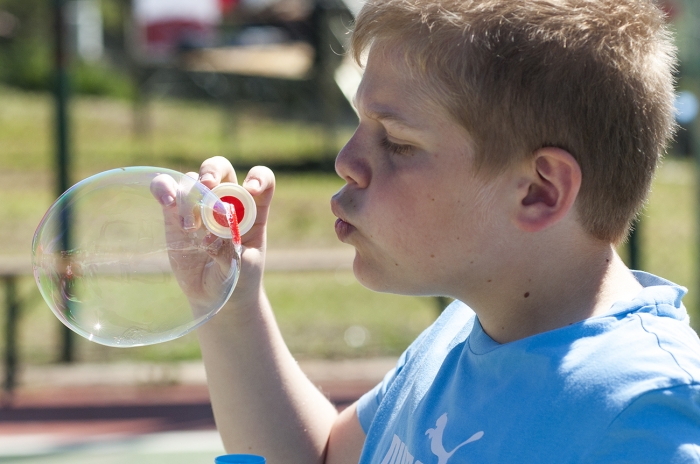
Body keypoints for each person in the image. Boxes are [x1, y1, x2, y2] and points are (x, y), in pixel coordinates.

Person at [152, 0, 700, 462]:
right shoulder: (464, 332)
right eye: (358, 125)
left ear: (539, 192)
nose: (347, 161)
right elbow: (322, 455)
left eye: (398, 143)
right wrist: (231, 305)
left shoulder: (647, 408)